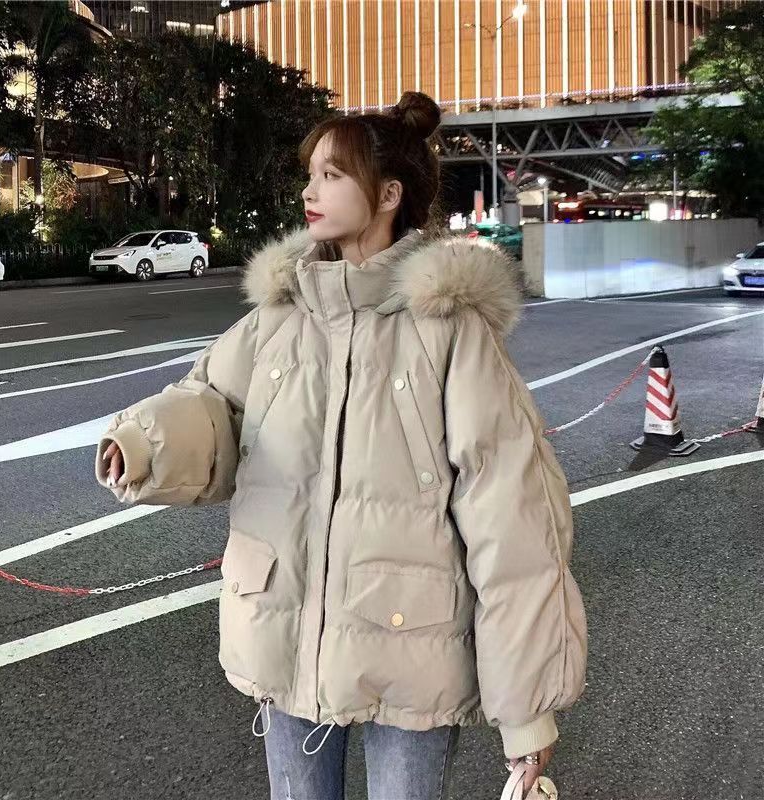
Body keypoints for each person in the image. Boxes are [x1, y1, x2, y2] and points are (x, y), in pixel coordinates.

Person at [96, 91, 587, 800]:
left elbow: (511, 516)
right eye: (311, 174)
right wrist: (142, 445)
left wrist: (527, 714)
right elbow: (212, 407)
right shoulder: (280, 316)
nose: (310, 191)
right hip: (289, 632)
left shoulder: (448, 330)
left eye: (331, 174)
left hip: (413, 646)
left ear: (389, 194)